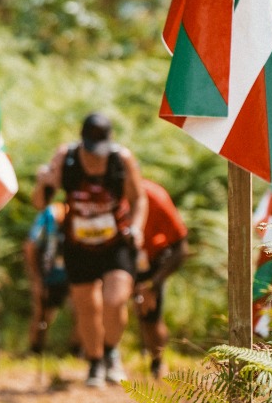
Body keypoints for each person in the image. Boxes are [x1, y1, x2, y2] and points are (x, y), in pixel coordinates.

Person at [33, 113, 147, 387]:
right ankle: (95, 363)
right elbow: (40, 202)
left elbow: (139, 197)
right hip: (78, 245)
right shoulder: (67, 157)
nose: (96, 156)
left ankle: (111, 351)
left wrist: (138, 227)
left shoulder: (122, 159)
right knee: (87, 307)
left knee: (114, 300)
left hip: (115, 243)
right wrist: (44, 181)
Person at [134, 179, 189, 379]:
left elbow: (181, 247)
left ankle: (157, 361)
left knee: (150, 313)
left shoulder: (156, 197)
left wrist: (155, 282)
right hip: (126, 257)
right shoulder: (110, 196)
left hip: (155, 260)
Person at [23, 167, 69, 355]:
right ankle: (35, 350)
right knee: (42, 314)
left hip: (73, 274)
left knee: (86, 312)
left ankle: (80, 352)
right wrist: (36, 278)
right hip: (50, 273)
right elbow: (31, 246)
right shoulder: (50, 215)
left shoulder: (83, 214)